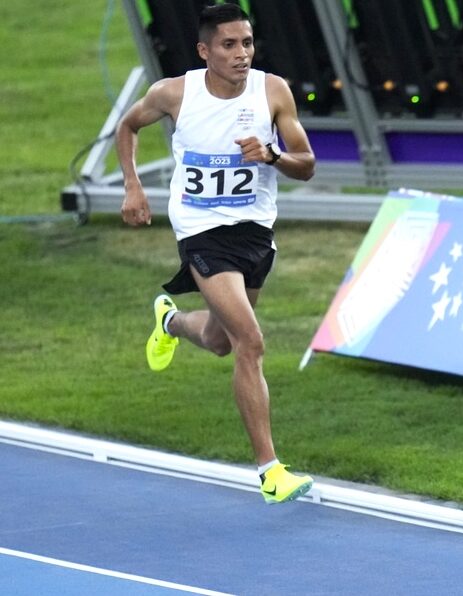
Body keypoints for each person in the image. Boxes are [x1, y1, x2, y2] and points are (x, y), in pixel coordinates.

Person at [116, 4, 316, 504]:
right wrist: (133, 186)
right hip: (201, 229)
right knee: (250, 341)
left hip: (255, 231)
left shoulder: (273, 91)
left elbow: (307, 164)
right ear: (205, 51)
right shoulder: (174, 93)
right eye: (229, 45)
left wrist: (271, 155)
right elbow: (128, 126)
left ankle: (170, 321)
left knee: (220, 340)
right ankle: (270, 472)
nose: (241, 53)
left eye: (247, 43)